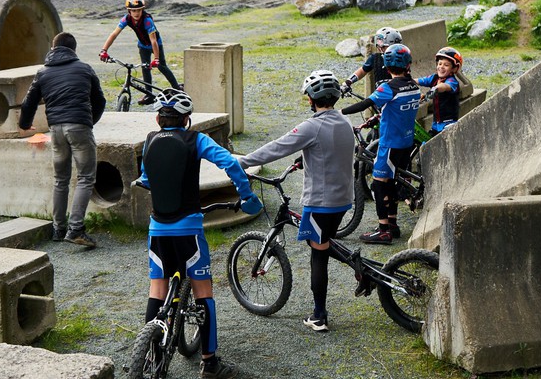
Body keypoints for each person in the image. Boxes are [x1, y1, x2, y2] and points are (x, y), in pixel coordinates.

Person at [135, 90, 262, 379]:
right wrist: (246, 195)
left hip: (157, 230)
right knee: (203, 290)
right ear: (187, 120)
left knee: (157, 288)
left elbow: (145, 177)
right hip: (188, 230)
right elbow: (230, 163)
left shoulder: (149, 141)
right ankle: (210, 362)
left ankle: (151, 354)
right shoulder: (196, 140)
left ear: (158, 118)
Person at [238, 70, 354, 332]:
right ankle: (353, 264)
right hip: (343, 199)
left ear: (312, 99)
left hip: (321, 203)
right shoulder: (344, 122)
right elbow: (336, 149)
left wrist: (241, 161)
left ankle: (319, 315)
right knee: (322, 242)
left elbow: (276, 148)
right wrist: (308, 158)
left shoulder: (311, 127)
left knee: (318, 256)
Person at [19, 32, 106, 248]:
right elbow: (100, 100)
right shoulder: (84, 69)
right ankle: (76, 229)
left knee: (61, 179)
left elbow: (28, 102)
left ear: (53, 48)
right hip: (79, 127)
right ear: (73, 50)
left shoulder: (43, 73)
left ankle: (59, 228)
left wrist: (24, 124)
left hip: (56, 130)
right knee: (86, 177)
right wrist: (88, 121)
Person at [341, 44, 420, 244]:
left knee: (379, 183)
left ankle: (383, 229)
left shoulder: (388, 88)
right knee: (392, 182)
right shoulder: (413, 86)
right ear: (408, 64)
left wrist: (340, 112)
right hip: (406, 142)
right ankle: (393, 224)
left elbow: (366, 103)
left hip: (389, 144)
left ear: (386, 66)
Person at [99, 0, 181, 104]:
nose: (136, 13)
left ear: (142, 9)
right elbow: (114, 34)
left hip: (156, 44)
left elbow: (153, 41)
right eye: (133, 11)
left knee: (162, 66)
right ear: (129, 11)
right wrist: (104, 50)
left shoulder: (147, 20)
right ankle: (149, 95)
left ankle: (177, 90)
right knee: (145, 68)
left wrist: (156, 58)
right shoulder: (126, 19)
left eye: (139, 10)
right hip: (143, 46)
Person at [340, 26, 402, 94]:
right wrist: (348, 82)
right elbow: (362, 70)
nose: (379, 47)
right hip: (381, 96)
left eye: (383, 45)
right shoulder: (375, 58)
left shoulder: (402, 59)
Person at [416, 47, 463, 136]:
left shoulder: (452, 81)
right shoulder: (434, 78)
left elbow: (444, 86)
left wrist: (435, 89)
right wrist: (406, 80)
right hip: (436, 124)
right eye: (439, 63)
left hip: (448, 124)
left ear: (454, 69)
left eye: (446, 65)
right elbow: (420, 80)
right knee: (426, 144)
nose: (441, 67)